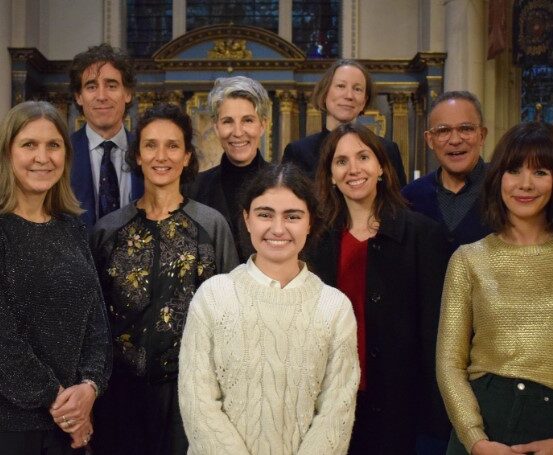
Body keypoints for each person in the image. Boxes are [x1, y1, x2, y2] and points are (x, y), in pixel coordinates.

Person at [178, 163, 360, 454]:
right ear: (247, 219)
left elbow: (336, 412)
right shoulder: (213, 297)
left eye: (292, 216)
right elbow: (197, 403)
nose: (278, 228)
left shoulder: (334, 308)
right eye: (265, 214)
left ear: (310, 222)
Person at [90, 104, 239, 455]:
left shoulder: (212, 226)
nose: (161, 156)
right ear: (137, 156)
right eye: (151, 145)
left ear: (187, 157)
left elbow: (232, 317)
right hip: (120, 399)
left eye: (172, 146)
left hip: (190, 397)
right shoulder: (107, 231)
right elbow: (92, 323)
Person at [311, 122, 450, 454]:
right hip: (332, 400)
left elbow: (435, 332)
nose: (353, 169)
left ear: (382, 168)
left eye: (363, 157)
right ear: (330, 176)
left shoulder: (423, 235)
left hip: (402, 406)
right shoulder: (315, 241)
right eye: (341, 161)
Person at [0, 101, 111, 454]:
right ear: (7, 153)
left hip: (71, 427)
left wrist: (90, 387)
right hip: (12, 427)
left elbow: (97, 324)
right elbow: (3, 340)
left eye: (53, 145)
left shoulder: (71, 228)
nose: (42, 157)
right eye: (29, 145)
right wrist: (63, 405)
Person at [436, 122, 553, 455]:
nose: (525, 184)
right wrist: (476, 440)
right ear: (498, 177)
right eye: (514, 170)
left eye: (540, 171)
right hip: (482, 424)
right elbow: (449, 363)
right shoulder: (468, 259)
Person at [282, 58, 407, 187]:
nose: (349, 96)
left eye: (357, 89)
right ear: (324, 94)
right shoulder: (298, 152)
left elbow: (398, 198)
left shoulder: (387, 150)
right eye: (341, 86)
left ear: (364, 101)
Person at [188, 75, 269, 261]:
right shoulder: (193, 188)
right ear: (216, 128)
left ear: (262, 125)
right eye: (228, 121)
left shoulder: (284, 186)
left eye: (248, 120)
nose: (238, 132)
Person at [402, 91, 492, 250]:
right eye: (443, 131)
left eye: (466, 129)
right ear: (430, 140)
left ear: (482, 136)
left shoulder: (505, 187)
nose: (455, 140)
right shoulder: (410, 197)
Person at [69, 43, 144, 228]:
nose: (101, 96)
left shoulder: (147, 152)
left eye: (111, 85)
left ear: (127, 93)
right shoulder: (62, 153)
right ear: (79, 96)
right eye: (91, 87)